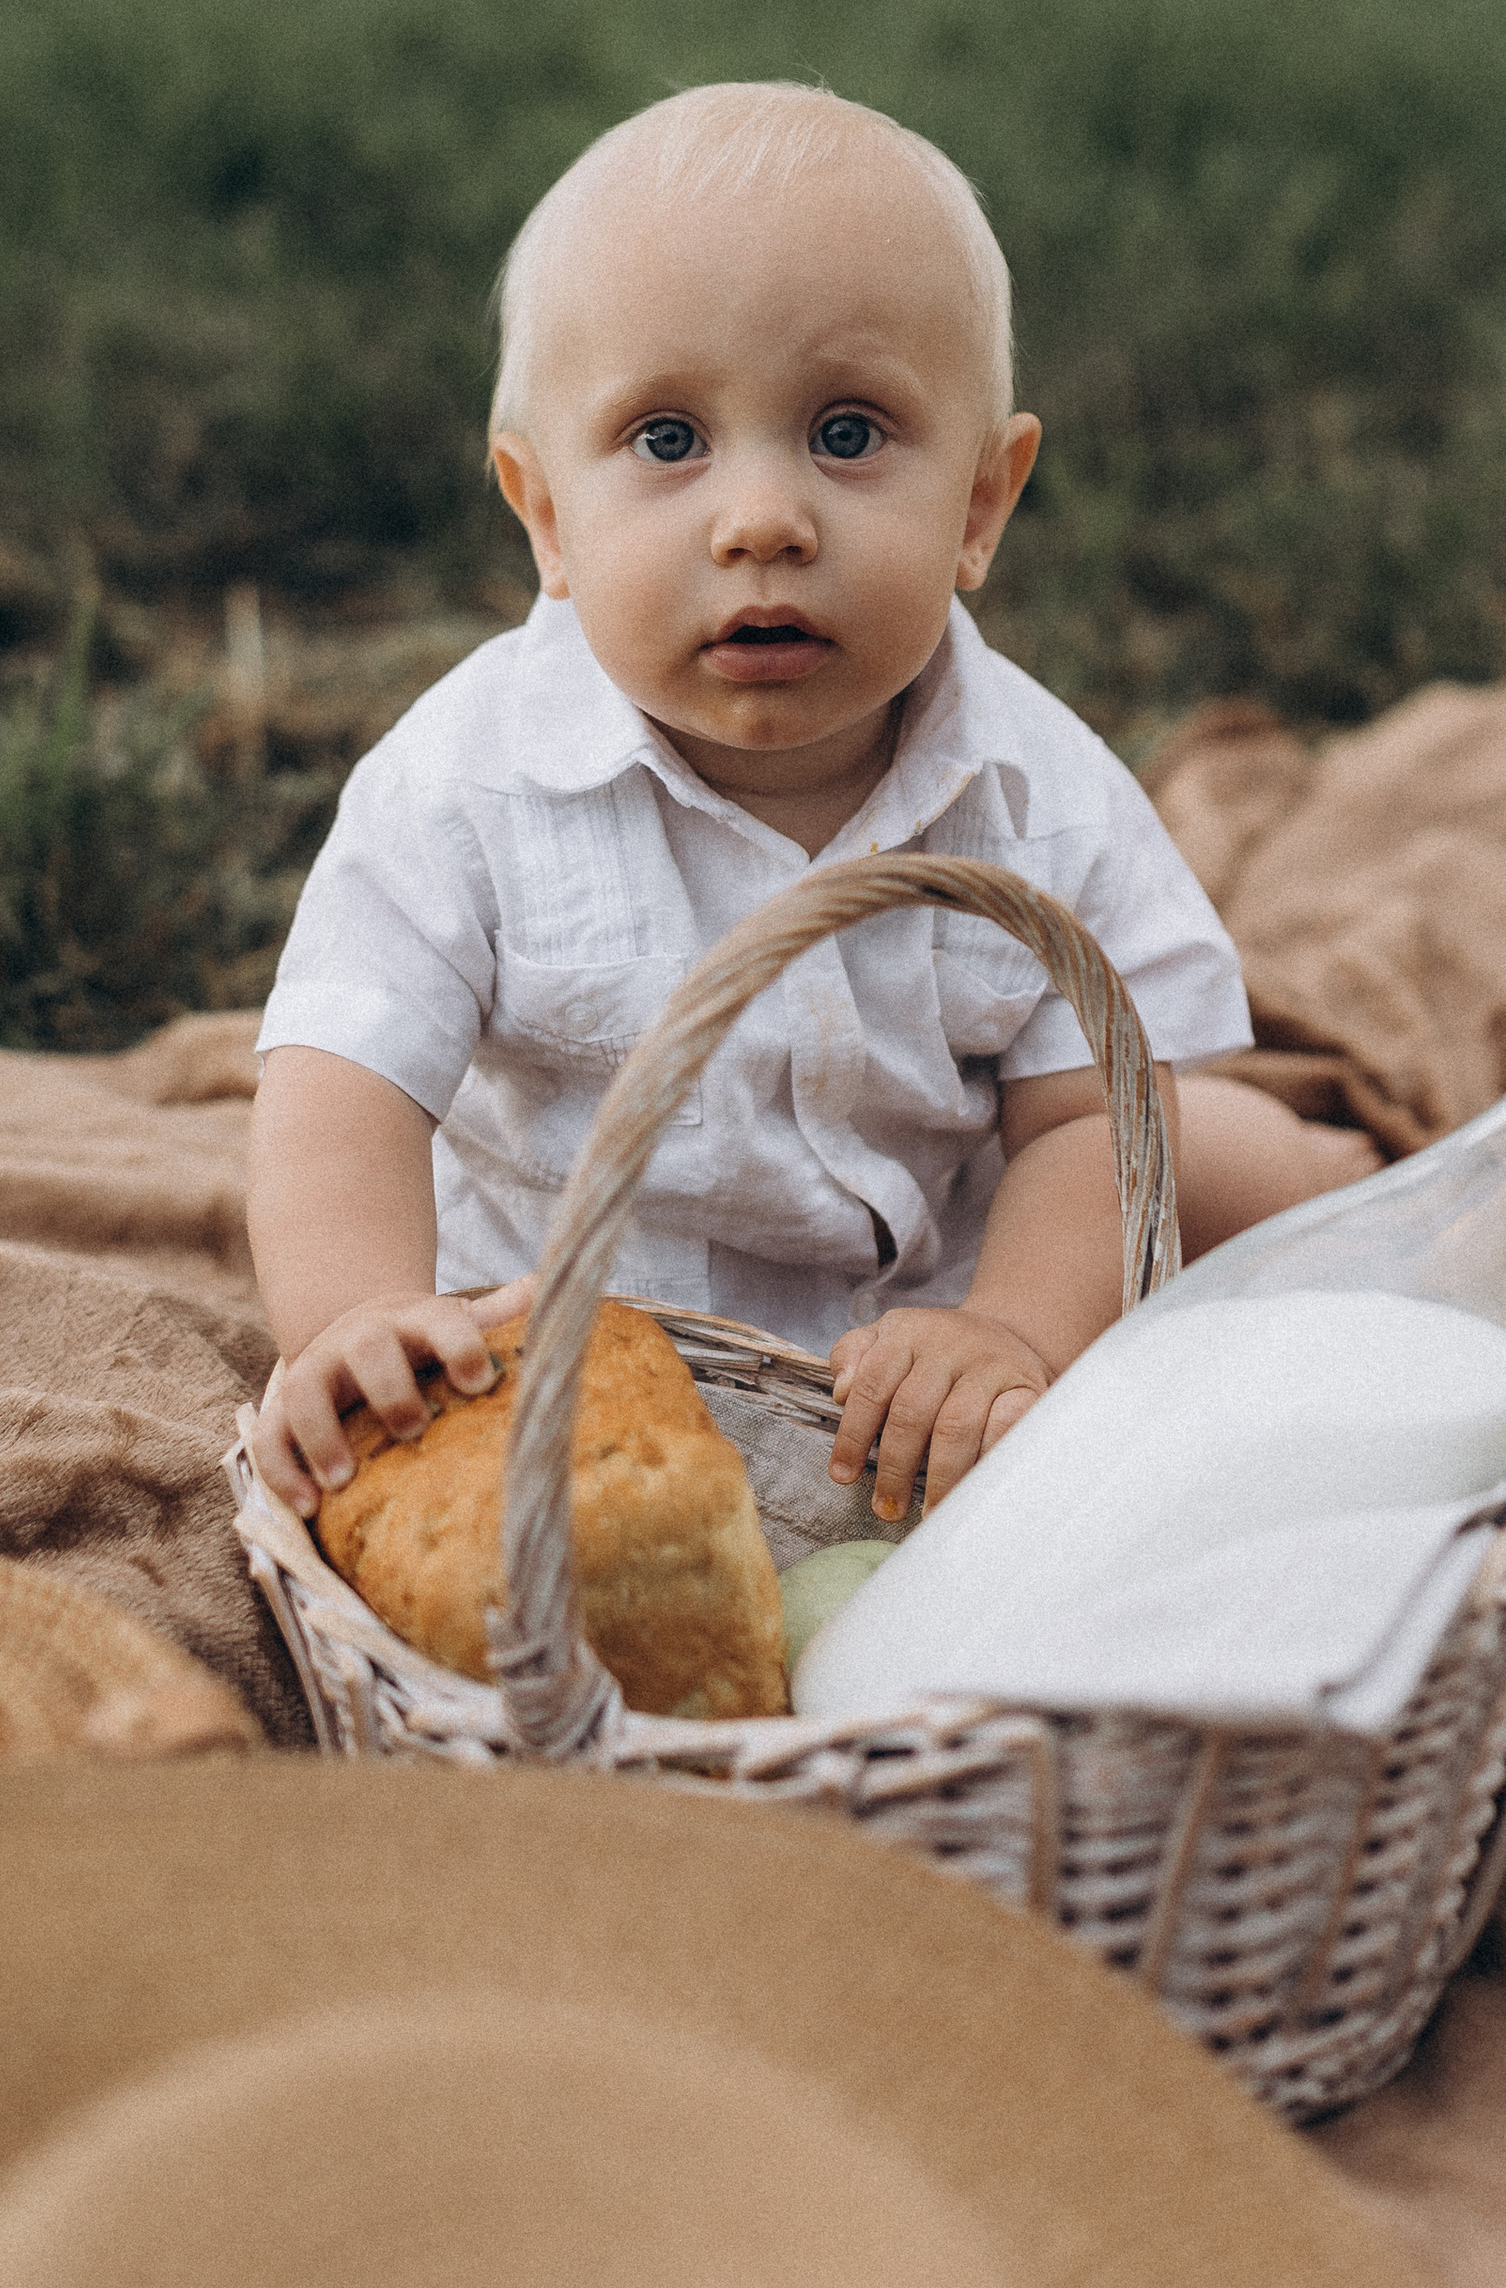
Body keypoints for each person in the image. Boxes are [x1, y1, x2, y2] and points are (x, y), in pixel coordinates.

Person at [250, 82, 1370, 1528]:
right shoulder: (463, 785)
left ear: (980, 504)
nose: (763, 519)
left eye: (847, 434)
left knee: (1190, 1145)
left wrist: (1016, 1334)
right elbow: (340, 1081)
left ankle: (1352, 1186)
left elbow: (1093, 1121)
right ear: (545, 518)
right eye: (668, 442)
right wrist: (354, 1317)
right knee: (1190, 1142)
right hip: (564, 1335)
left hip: (930, 1303)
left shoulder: (1039, 799)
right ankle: (1292, 1167)